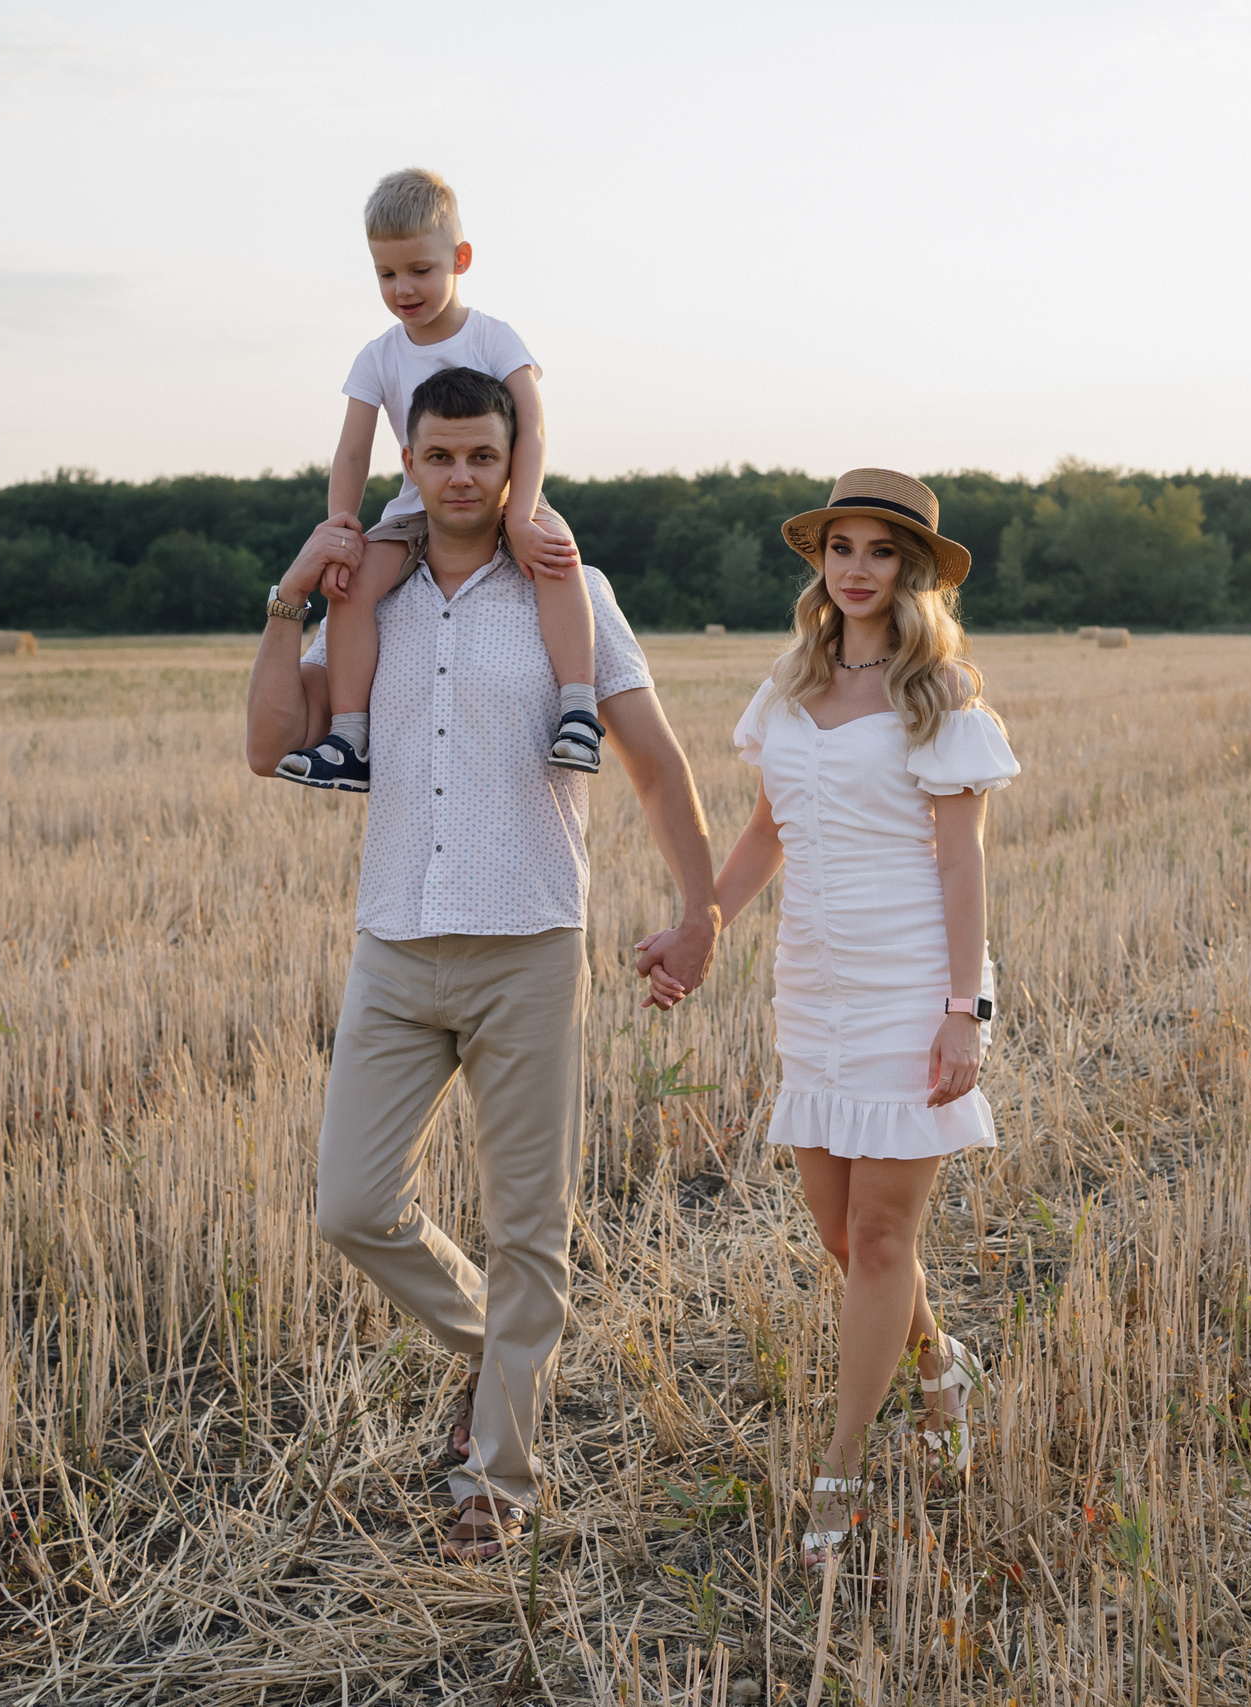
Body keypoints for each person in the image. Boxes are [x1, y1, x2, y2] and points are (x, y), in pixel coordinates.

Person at [246, 364, 721, 1562]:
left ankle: (496, 1485)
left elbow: (656, 764)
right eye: (439, 455)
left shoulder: (572, 591)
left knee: (530, 1231)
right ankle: (494, 1350)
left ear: (515, 466)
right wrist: (285, 603)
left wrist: (701, 906)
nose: (461, 477)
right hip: (396, 946)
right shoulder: (371, 598)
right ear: (407, 462)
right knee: (353, 1205)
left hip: (529, 947)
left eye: (483, 458)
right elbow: (268, 748)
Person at [635, 468, 1019, 1569]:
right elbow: (766, 831)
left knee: (886, 1236)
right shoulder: (791, 688)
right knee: (845, 1241)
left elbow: (960, 866)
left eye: (880, 552)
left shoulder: (940, 702)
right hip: (812, 983)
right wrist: (701, 923)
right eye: (839, 548)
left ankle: (840, 1469)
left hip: (910, 983)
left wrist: (962, 1011)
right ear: (821, 563)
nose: (856, 569)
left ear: (912, 573)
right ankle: (938, 1365)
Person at [274, 165, 603, 792]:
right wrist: (342, 531)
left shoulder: (493, 337)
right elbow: (350, 455)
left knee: (558, 557)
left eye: (420, 270)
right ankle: (349, 737)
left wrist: (519, 515)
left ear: (461, 258)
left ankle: (579, 712)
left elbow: (530, 429)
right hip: (414, 508)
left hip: (506, 495)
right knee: (349, 590)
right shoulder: (378, 355)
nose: (403, 288)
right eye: (386, 274)